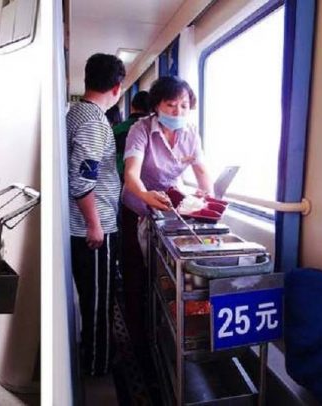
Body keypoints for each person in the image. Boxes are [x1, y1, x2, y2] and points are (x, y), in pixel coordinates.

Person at [120, 76, 212, 359]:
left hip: (167, 211)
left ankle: (164, 329)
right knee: (136, 274)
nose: (178, 112)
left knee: (166, 276)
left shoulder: (191, 134)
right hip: (136, 207)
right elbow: (131, 175)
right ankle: (137, 342)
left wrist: (209, 199)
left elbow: (202, 171)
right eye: (171, 105)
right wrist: (146, 196)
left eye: (184, 106)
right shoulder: (141, 130)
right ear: (157, 106)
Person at [67, 53, 125, 376]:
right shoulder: (94, 122)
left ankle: (94, 356)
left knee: (93, 299)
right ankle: (97, 365)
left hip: (87, 225)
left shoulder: (77, 112)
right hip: (92, 230)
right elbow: (82, 180)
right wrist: (95, 225)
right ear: (118, 88)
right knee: (99, 302)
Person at [113, 90, 150, 179]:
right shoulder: (155, 130)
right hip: (147, 180)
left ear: (131, 107)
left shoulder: (117, 130)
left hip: (120, 178)